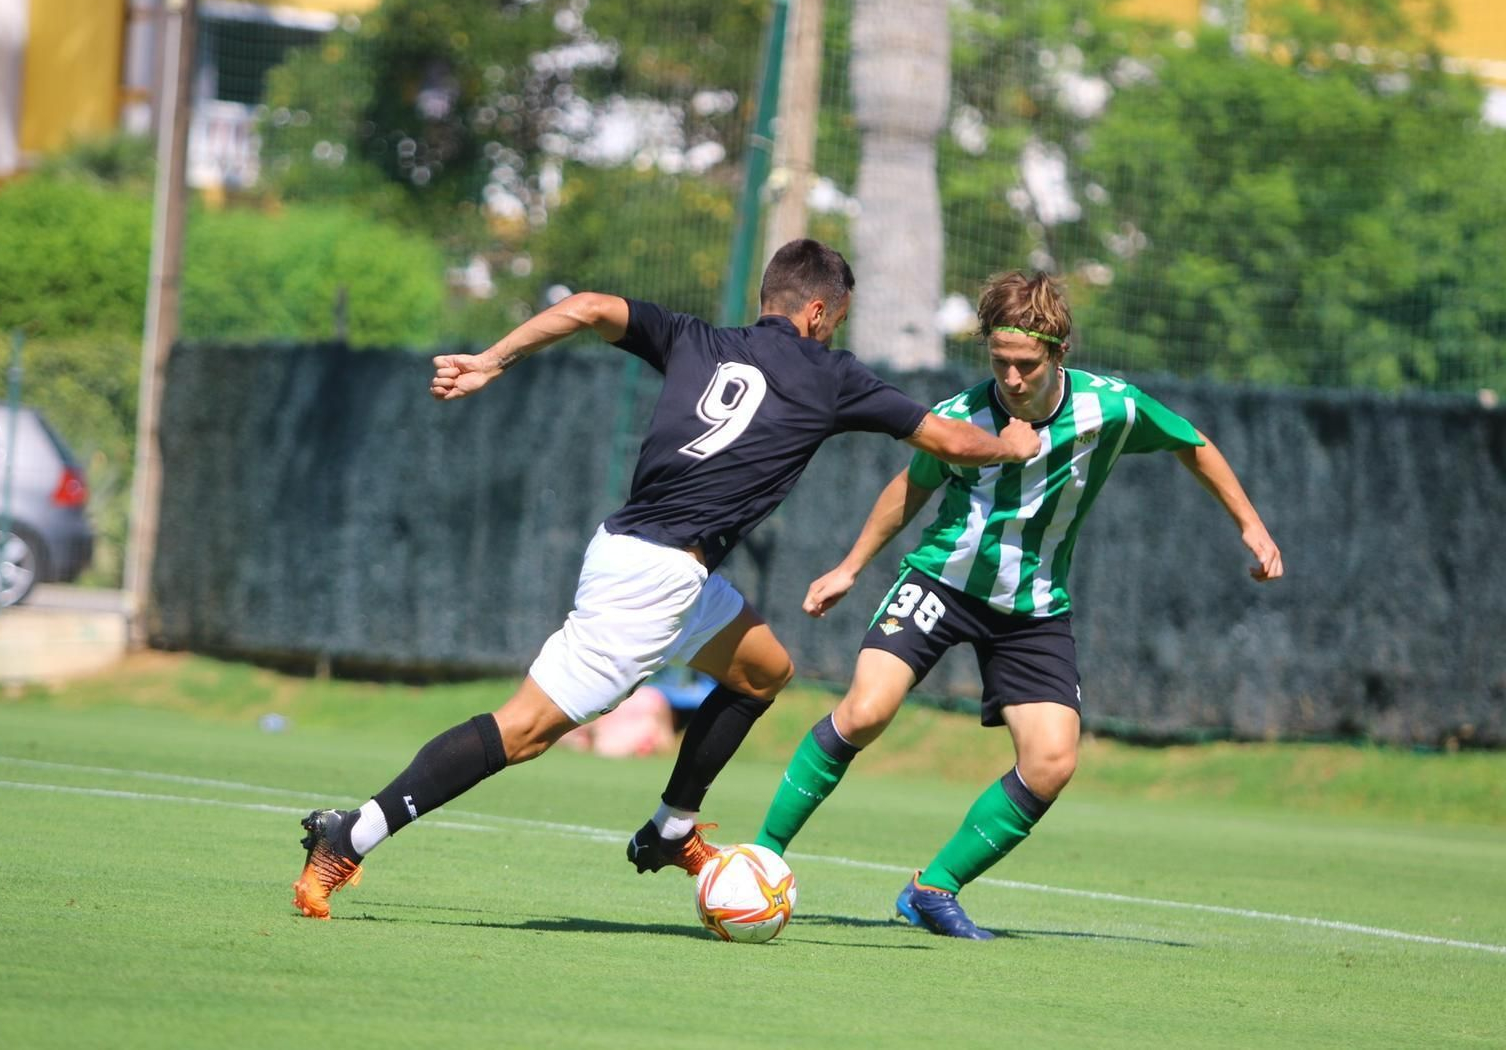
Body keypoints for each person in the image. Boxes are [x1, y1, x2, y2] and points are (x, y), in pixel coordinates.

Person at [291, 239, 1041, 918]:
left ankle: (672, 827)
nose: (833, 333)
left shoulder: (696, 338)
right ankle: (349, 836)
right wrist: (1010, 446)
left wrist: (492, 359)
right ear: (818, 313)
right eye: (835, 320)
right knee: (522, 731)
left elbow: (588, 306)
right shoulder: (830, 374)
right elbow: (949, 440)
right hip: (650, 581)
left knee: (762, 672)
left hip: (656, 563)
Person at [752, 270, 1284, 939]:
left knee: (1052, 761)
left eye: (1026, 364)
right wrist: (850, 567)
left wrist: (1251, 525)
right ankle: (762, 857)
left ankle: (932, 889)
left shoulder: (1111, 408)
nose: (1010, 377)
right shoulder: (960, 416)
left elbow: (1192, 444)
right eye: (999, 360)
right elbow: (910, 488)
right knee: (866, 710)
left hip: (1033, 609)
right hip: (942, 583)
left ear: (1059, 353)